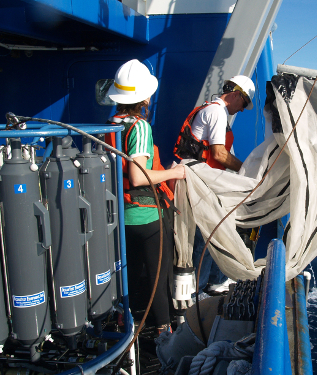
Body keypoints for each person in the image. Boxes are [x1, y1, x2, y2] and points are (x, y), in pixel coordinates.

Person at [106, 59, 186, 334]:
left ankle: (128, 328)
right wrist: (177, 173)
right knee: (158, 279)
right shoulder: (139, 128)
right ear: (144, 98)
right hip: (146, 215)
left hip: (120, 217)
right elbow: (139, 176)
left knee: (133, 278)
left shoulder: (110, 124)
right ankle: (165, 334)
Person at [173, 75, 255, 293]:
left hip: (204, 180)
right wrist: (247, 172)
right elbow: (219, 154)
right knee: (207, 234)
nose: (242, 109)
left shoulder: (213, 110)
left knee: (213, 231)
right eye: (244, 104)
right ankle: (200, 289)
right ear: (237, 95)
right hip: (200, 182)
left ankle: (214, 280)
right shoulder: (217, 112)